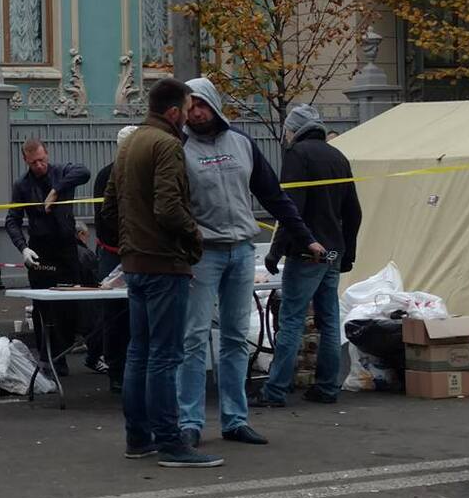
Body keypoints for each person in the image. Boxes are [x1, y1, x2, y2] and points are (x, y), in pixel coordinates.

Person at [175, 78, 322, 447]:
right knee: (193, 338)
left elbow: (274, 195)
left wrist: (305, 237)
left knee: (236, 338)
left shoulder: (242, 143)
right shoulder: (178, 148)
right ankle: (189, 422)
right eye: (189, 107)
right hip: (202, 253)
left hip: (241, 250)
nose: (195, 112)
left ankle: (235, 420)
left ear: (213, 104)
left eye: (201, 105)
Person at [97, 79, 223, 468]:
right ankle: (171, 443)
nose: (188, 118)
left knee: (139, 353)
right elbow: (170, 208)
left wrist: (130, 244)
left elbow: (109, 208)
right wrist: (194, 239)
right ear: (173, 112)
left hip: (135, 262)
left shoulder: (130, 142)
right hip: (164, 264)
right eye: (186, 111)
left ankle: (139, 438)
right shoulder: (167, 145)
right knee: (166, 356)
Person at [261, 102, 363, 406]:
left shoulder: (297, 155)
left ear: (293, 130)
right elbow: (354, 212)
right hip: (333, 251)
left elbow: (290, 208)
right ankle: (328, 387)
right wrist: (348, 252)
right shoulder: (338, 156)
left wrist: (276, 250)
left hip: (306, 252)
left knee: (291, 319)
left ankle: (276, 390)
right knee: (330, 321)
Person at [6, 139, 92, 376]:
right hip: (40, 250)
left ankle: (62, 351)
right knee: (43, 306)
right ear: (26, 161)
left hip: (66, 249)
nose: (40, 165)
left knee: (69, 305)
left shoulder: (62, 172)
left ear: (47, 155)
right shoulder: (22, 185)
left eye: (42, 160)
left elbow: (84, 172)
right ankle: (47, 357)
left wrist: (56, 190)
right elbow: (12, 220)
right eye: (34, 162)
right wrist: (23, 248)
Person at [87, 125, 139, 391]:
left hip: (132, 250)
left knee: (132, 312)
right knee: (114, 312)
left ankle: (123, 367)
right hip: (113, 251)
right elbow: (105, 217)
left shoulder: (139, 173)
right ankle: (116, 371)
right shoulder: (108, 175)